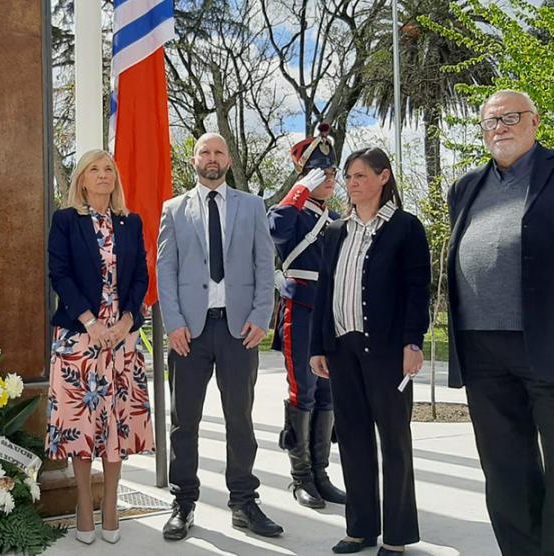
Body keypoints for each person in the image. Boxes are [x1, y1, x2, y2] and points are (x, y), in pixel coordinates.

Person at [157, 132, 281, 540]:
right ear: (193, 159)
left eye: (219, 152)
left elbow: (266, 266)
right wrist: (173, 322)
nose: (212, 158)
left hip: (239, 329)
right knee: (184, 421)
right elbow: (165, 270)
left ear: (229, 159)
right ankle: (183, 501)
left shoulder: (251, 206)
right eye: (204, 152)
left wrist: (262, 316)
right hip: (188, 333)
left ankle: (244, 501)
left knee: (240, 419)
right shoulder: (173, 209)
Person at [446, 89, 554, 556]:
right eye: (491, 121)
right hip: (482, 350)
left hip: (544, 342)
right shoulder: (466, 186)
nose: (500, 127)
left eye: (511, 117)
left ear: (536, 122)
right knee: (505, 467)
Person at [309, 147, 430, 556]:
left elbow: (418, 291)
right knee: (355, 440)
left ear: (383, 177)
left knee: (394, 441)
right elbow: (324, 292)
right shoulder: (335, 230)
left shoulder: (406, 228)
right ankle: (360, 530)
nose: (352, 183)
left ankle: (396, 536)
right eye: (349, 176)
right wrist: (318, 347)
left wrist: (413, 343)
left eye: (361, 175)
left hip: (388, 352)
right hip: (342, 351)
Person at [45, 149, 154, 545]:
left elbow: (141, 276)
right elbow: (59, 272)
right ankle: (83, 504)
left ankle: (110, 504)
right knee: (81, 425)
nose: (104, 174)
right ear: (82, 179)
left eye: (109, 168)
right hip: (79, 339)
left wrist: (126, 321)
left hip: (122, 340)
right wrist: (91, 322)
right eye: (95, 168)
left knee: (116, 425)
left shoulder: (130, 222)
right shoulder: (65, 221)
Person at [269, 123, 347, 509]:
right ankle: (300, 478)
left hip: (330, 309)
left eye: (333, 173)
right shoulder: (294, 211)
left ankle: (321, 473)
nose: (330, 179)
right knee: (304, 389)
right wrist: (298, 190)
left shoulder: (335, 218)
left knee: (328, 390)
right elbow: (275, 230)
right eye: (322, 173)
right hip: (300, 307)